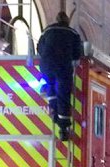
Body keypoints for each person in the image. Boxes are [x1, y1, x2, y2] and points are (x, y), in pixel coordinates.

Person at [36, 11, 84, 141]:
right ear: (67, 21)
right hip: (63, 67)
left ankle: (53, 111)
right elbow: (77, 54)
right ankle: (63, 128)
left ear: (57, 20)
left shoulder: (48, 30)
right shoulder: (73, 33)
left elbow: (39, 47)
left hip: (46, 65)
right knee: (63, 95)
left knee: (51, 88)